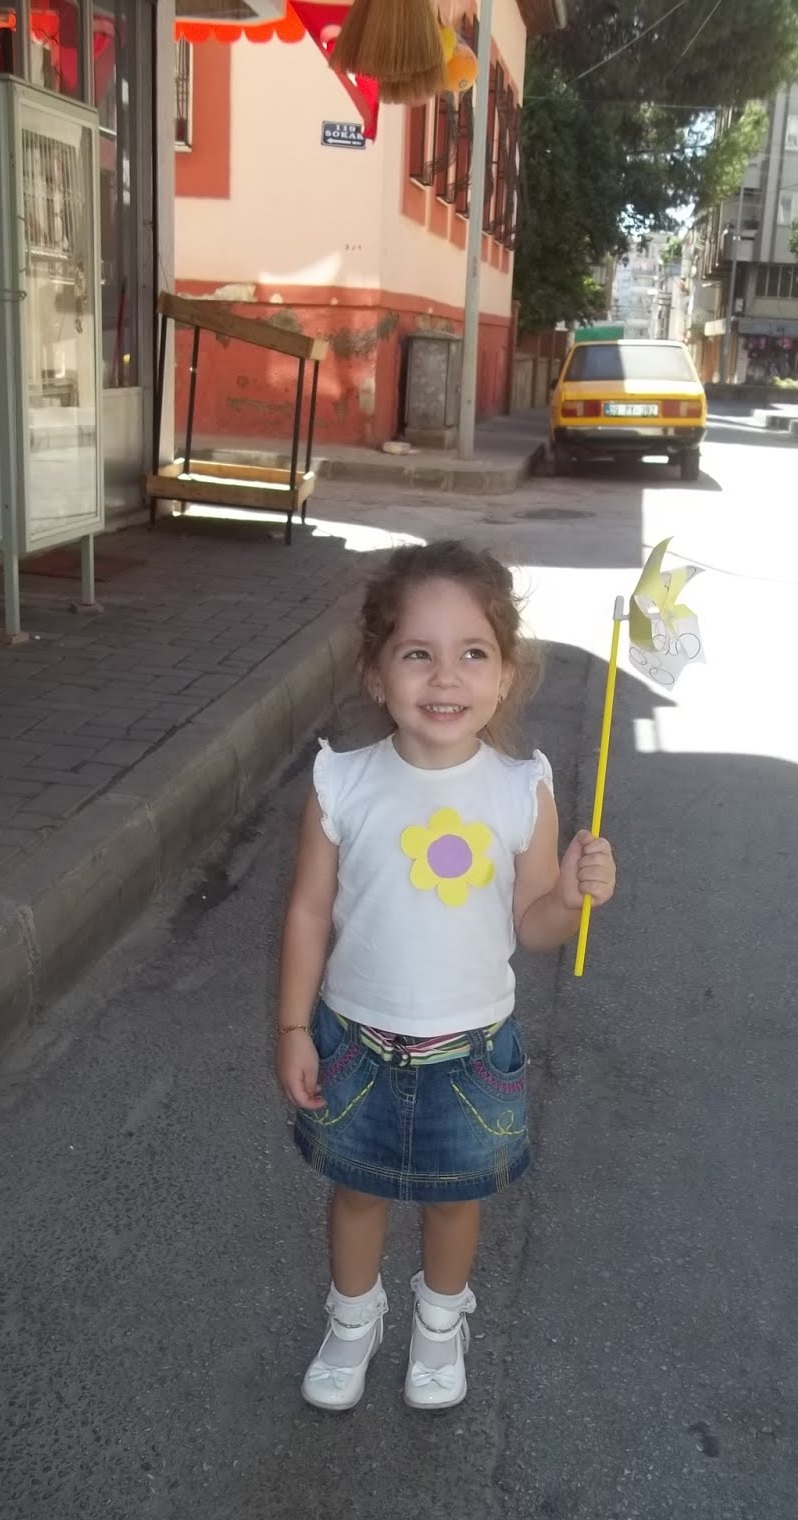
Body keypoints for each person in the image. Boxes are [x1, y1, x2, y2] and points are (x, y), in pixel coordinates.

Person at [275, 540, 617, 1413]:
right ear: (375, 671)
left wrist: (570, 897)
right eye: (417, 653)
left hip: (472, 1054)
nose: (445, 677)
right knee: (357, 1194)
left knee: (454, 1203)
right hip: (354, 1043)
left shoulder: (520, 790)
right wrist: (292, 1028)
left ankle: (438, 1323)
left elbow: (533, 926)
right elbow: (309, 912)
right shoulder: (342, 784)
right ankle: (354, 1320)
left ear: (505, 675)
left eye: (472, 653)